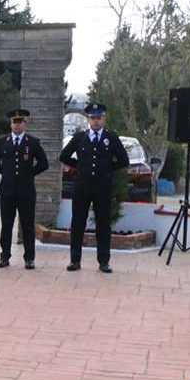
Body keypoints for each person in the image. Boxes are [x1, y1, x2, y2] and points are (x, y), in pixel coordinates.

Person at [59, 102, 128, 273]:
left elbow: (123, 161)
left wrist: (107, 170)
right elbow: (64, 156)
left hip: (102, 187)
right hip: (82, 186)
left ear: (104, 119)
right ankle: (75, 260)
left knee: (103, 224)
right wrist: (79, 166)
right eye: (92, 118)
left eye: (99, 118)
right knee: (78, 223)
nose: (96, 121)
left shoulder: (111, 137)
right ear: (88, 120)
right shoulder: (80, 137)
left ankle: (103, 261)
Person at [0, 109, 49, 269]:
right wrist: (7, 174)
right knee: (6, 224)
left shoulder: (33, 142)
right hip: (7, 190)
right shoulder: (2, 142)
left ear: (25, 124)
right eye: (14, 122)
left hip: (26, 190)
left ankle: (29, 258)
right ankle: (4, 256)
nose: (17, 125)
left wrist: (29, 174)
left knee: (27, 225)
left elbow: (44, 163)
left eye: (20, 122)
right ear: (10, 124)